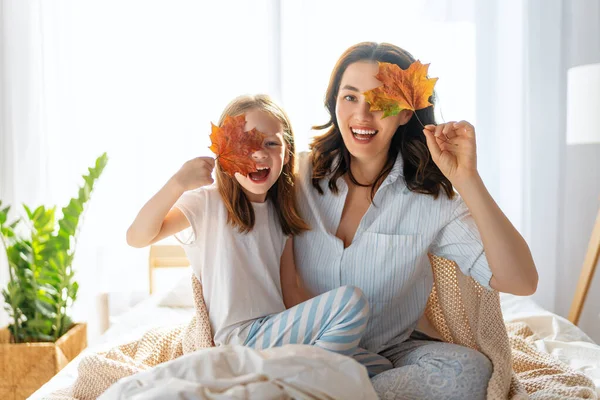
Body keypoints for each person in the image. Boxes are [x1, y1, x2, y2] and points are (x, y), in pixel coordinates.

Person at [293, 42, 539, 399]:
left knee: (469, 369)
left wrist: (467, 179)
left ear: (406, 112)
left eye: (381, 101)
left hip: (384, 358)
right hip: (295, 349)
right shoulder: (295, 177)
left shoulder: (431, 201)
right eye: (350, 97)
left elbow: (521, 281)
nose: (363, 114)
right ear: (333, 102)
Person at [126, 94, 392, 377]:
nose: (259, 153)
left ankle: (301, 371)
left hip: (276, 332)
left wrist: (326, 322)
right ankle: (310, 381)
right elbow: (137, 237)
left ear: (287, 152)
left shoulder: (281, 214)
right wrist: (177, 184)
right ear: (225, 154)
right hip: (238, 341)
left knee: (381, 366)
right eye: (245, 144)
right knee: (351, 301)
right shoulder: (208, 203)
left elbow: (291, 292)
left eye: (271, 143)